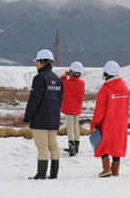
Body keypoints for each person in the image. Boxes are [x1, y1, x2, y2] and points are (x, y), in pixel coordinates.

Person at [23, 49, 64, 180]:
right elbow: (60, 100)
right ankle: (54, 173)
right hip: (53, 118)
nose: (36, 64)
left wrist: (27, 116)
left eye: (37, 61)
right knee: (53, 145)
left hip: (40, 118)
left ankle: (41, 174)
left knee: (42, 146)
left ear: (44, 62)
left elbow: (34, 100)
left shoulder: (39, 78)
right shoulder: (58, 80)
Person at [90, 61, 130, 177]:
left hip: (108, 121)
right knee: (117, 144)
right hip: (121, 121)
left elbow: (99, 110)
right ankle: (115, 170)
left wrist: (94, 123)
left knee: (104, 143)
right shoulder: (125, 88)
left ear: (106, 73)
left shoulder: (105, 89)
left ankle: (106, 168)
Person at [60, 61, 85, 156]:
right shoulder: (82, 83)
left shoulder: (66, 82)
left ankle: (71, 148)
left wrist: (64, 76)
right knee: (76, 127)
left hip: (68, 109)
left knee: (70, 127)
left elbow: (60, 82)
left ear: (71, 72)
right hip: (77, 109)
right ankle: (76, 146)